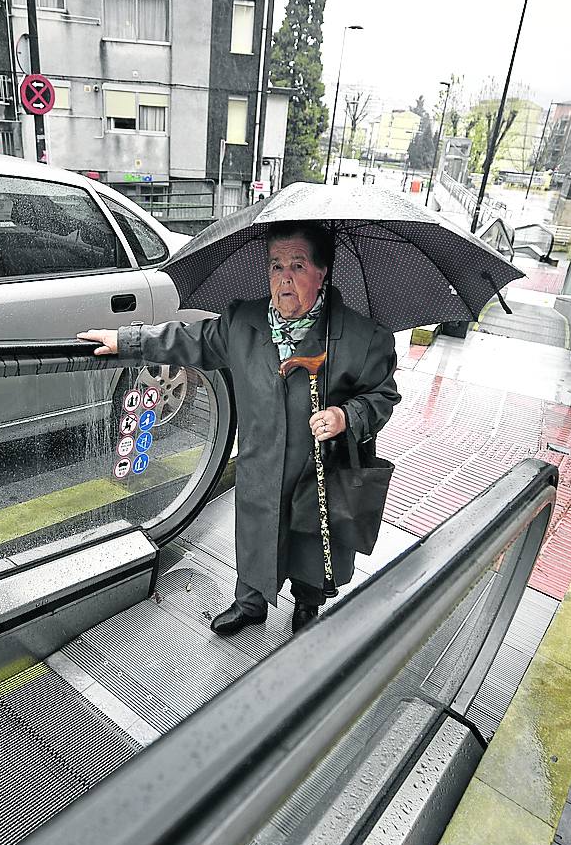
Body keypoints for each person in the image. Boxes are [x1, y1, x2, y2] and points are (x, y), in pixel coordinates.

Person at [79, 221, 400, 635]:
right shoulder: (242, 322)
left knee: (310, 541)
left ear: (322, 272)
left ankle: (307, 604)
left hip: (317, 469)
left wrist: (345, 417)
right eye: (276, 266)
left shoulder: (361, 337)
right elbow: (188, 339)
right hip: (261, 462)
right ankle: (250, 603)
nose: (284, 278)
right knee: (256, 533)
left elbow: (382, 396)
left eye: (298, 266)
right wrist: (129, 340)